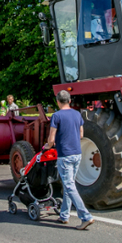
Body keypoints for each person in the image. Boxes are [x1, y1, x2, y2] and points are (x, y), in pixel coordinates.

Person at [43, 90, 94, 230]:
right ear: (69, 101)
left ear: (58, 101)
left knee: (69, 186)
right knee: (69, 185)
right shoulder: (77, 114)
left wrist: (47, 146)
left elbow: (52, 139)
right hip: (77, 153)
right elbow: (81, 134)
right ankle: (64, 215)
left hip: (64, 155)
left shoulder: (56, 116)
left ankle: (86, 216)